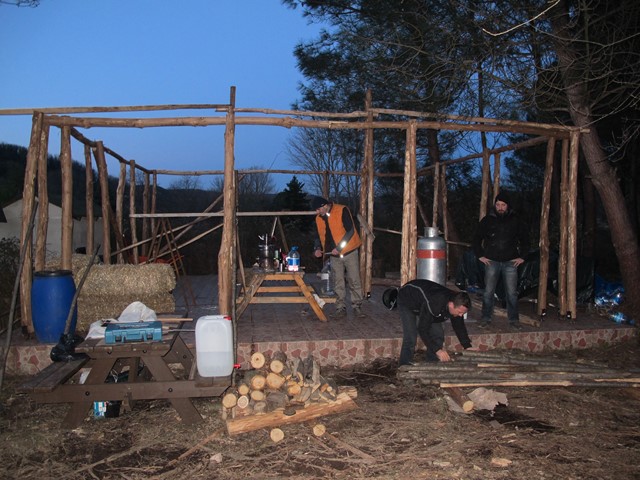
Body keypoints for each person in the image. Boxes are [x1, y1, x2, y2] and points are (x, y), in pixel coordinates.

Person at [472, 191, 529, 331]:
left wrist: (523, 256)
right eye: (498, 204)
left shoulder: (516, 220)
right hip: (491, 261)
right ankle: (486, 318)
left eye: (503, 205)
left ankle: (514, 320)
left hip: (511, 261)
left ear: (508, 206)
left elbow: (525, 239)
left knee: (512, 293)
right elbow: (476, 238)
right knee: (488, 292)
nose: (500, 207)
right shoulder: (487, 220)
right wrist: (480, 255)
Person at [383, 279, 473, 365]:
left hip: (424, 303)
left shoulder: (456, 302)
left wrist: (467, 346)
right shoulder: (435, 303)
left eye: (463, 313)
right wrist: (438, 350)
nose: (461, 315)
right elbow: (422, 329)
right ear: (451, 305)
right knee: (410, 337)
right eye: (460, 312)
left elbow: (459, 326)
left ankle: (431, 363)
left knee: (438, 334)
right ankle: (404, 366)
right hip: (407, 300)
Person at [311, 196, 365, 318]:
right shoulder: (318, 219)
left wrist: (339, 248)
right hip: (333, 255)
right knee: (338, 282)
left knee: (354, 279)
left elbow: (351, 231)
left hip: (349, 252)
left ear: (324, 205)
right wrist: (317, 248)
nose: (317, 212)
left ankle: (357, 306)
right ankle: (340, 308)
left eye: (318, 209)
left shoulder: (342, 210)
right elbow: (317, 236)